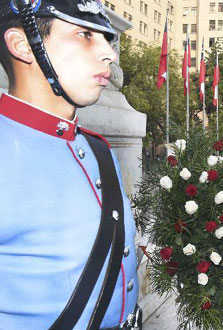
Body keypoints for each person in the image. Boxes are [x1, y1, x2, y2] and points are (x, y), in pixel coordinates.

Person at [0, 1, 140, 328]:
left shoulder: (97, 150)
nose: (109, 54)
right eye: (85, 34)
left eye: (106, 39)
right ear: (22, 45)